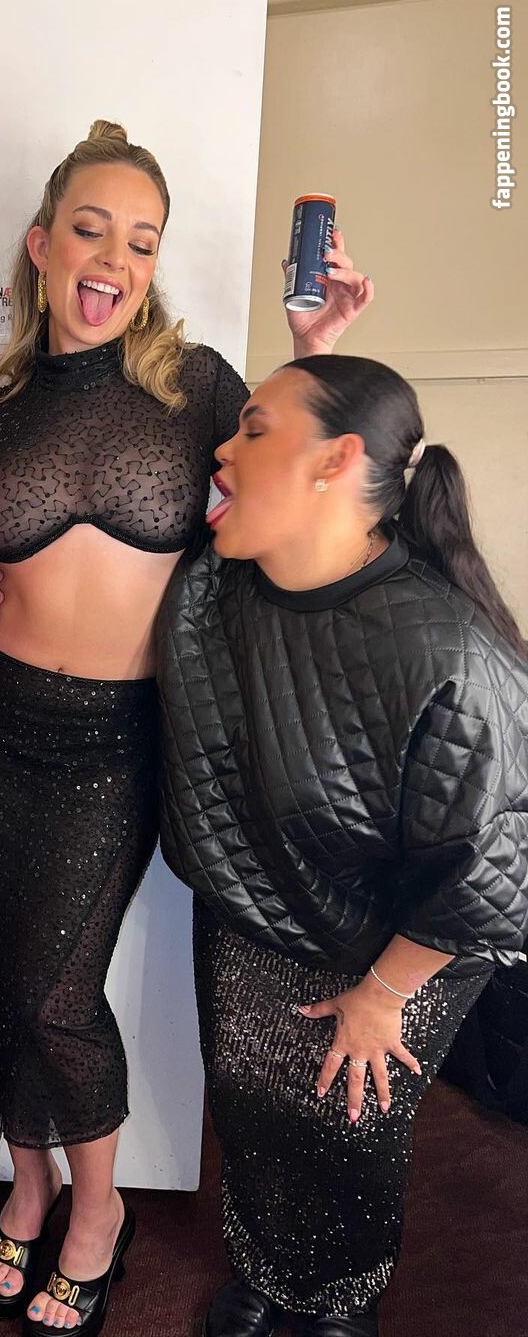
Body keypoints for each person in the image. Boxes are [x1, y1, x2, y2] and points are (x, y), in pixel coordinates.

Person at [0, 119, 372, 1336]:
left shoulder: (198, 387)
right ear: (41, 245)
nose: (115, 261)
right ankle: (26, 1186)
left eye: (141, 241)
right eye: (91, 230)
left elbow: (294, 478)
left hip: (115, 741)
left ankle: (99, 1209)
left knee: (57, 991)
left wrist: (314, 348)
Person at [155, 354, 528, 1337]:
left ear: (337, 460)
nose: (222, 450)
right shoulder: (222, 585)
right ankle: (265, 1267)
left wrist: (384, 993)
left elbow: (490, 874)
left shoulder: (450, 657)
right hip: (259, 899)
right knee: (249, 1096)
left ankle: (340, 1297)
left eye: (253, 430)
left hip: (412, 940)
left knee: (346, 1123)